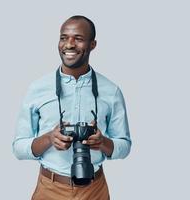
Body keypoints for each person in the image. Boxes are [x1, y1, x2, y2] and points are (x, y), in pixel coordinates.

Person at [12, 15, 131, 200]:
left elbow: (125, 146)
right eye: (63, 37)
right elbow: (18, 148)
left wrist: (103, 143)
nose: (69, 44)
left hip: (95, 190)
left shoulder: (111, 90)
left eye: (78, 38)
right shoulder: (37, 88)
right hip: (49, 188)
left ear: (93, 44)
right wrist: (49, 138)